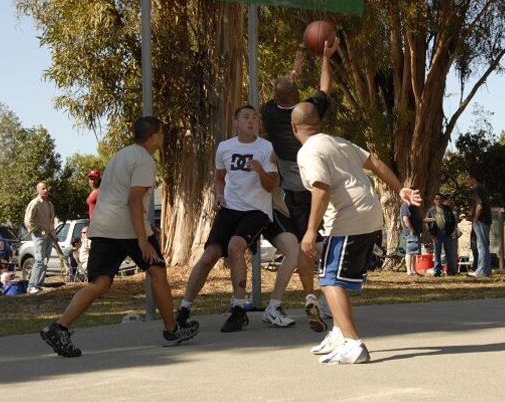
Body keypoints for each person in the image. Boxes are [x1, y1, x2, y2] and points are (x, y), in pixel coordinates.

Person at [40, 116, 198, 358]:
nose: (163, 137)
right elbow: (133, 200)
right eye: (162, 133)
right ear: (154, 137)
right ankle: (171, 330)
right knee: (157, 272)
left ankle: (58, 328)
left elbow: (117, 194)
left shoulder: (120, 155)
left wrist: (147, 227)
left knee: (99, 284)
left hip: (103, 225)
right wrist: (142, 239)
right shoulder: (145, 160)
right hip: (128, 227)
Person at [293, 102, 421, 365]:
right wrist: (400, 189)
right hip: (370, 215)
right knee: (337, 279)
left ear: (294, 127)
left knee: (329, 281)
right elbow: (374, 162)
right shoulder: (338, 142)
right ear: (318, 124)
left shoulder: (307, 152)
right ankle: (339, 334)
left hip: (348, 218)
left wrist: (309, 230)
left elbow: (321, 188)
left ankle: (354, 344)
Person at [176, 105, 279, 333]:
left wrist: (261, 170)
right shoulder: (224, 147)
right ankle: (183, 309)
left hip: (256, 211)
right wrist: (219, 195)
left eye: (254, 118)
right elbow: (219, 177)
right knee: (208, 256)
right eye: (246, 117)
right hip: (229, 209)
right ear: (235, 123)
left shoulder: (266, 147)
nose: (251, 121)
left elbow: (271, 186)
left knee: (235, 247)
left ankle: (239, 309)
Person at [261, 37, 339, 331]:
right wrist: (326, 57)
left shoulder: (269, 112)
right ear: (297, 97)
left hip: (291, 192)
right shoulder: (308, 109)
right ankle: (330, 296)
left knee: (306, 246)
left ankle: (311, 295)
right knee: (323, 243)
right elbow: (325, 89)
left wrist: (292, 73)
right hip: (314, 184)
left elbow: (282, 90)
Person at [24, 182, 56, 294]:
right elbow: (28, 220)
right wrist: (36, 229)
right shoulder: (35, 203)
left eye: (47, 188)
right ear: (38, 190)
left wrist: (54, 236)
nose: (46, 190)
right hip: (39, 235)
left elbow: (52, 221)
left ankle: (39, 284)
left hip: (49, 236)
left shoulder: (50, 204)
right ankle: (31, 285)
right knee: (39, 260)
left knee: (45, 260)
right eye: (43, 188)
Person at [426, 193, 458, 276]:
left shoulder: (447, 209)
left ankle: (451, 270)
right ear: (434, 200)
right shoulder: (431, 210)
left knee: (449, 252)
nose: (438, 200)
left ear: (442, 200)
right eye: (436, 199)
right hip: (437, 233)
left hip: (447, 233)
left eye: (440, 199)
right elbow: (427, 222)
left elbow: (452, 220)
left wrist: (450, 231)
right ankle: (437, 270)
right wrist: (431, 232)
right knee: (437, 253)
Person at [467, 172, 492, 278]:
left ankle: (482, 270)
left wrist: (475, 219)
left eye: (468, 179)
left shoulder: (478, 189)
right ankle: (486, 269)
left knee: (481, 245)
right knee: (483, 245)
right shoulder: (481, 189)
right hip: (484, 220)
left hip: (481, 220)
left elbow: (479, 205)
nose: (466, 181)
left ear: (473, 179)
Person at [400, 200, 422, 276]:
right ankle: (409, 271)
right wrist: (411, 229)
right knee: (410, 251)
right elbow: (405, 218)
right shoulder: (406, 205)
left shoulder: (414, 206)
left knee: (414, 252)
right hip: (411, 233)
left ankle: (414, 270)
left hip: (416, 232)